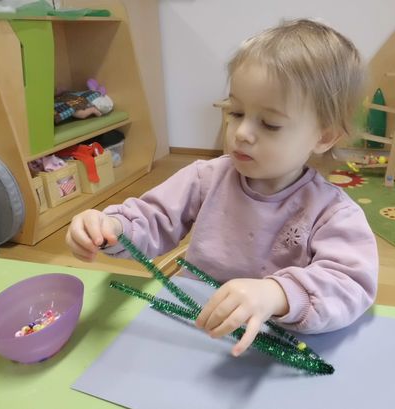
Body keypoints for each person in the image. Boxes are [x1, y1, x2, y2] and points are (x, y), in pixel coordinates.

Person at [66, 19, 378, 358]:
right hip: (193, 324)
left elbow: (350, 284)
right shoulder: (206, 177)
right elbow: (152, 217)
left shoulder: (333, 212)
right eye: (237, 112)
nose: (241, 132)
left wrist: (277, 294)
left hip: (269, 344)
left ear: (324, 136)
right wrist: (111, 227)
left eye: (270, 123)